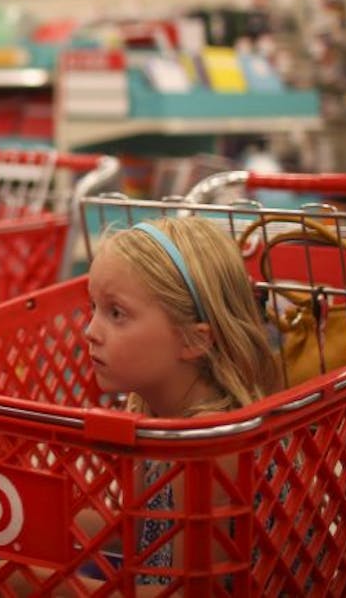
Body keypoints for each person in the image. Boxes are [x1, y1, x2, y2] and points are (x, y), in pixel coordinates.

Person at [81, 217, 278, 586]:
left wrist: (46, 587)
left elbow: (187, 592)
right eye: (93, 307)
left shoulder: (215, 448)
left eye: (116, 313)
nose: (90, 331)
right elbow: (140, 532)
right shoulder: (150, 413)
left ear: (194, 341)